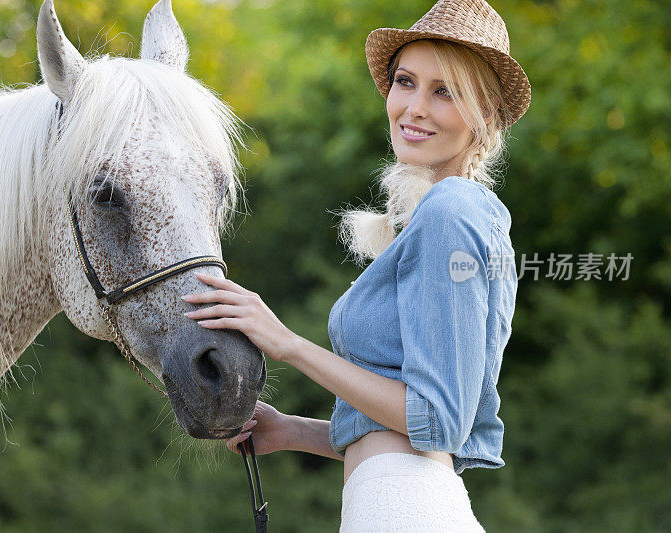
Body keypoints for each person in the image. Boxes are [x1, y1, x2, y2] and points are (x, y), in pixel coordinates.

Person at [181, 0, 530, 529]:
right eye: (406, 82)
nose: (413, 107)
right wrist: (294, 431)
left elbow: (436, 423)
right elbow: (403, 434)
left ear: (485, 116)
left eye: (445, 91)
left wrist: (288, 344)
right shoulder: (454, 214)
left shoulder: (452, 212)